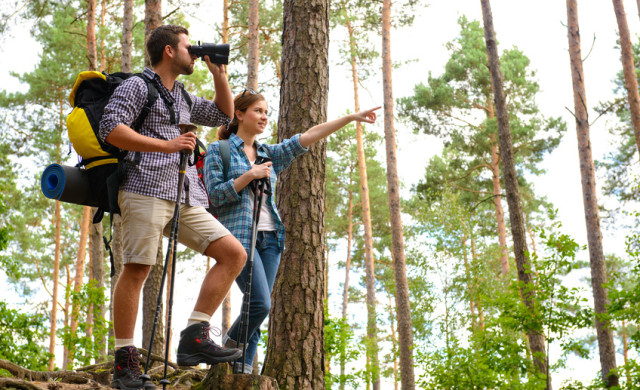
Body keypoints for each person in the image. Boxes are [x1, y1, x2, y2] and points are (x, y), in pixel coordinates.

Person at [98, 25, 247, 389]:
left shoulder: (180, 93)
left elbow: (223, 116)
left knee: (233, 255)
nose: (193, 52)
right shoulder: (137, 85)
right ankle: (125, 364)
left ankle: (194, 335)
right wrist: (167, 145)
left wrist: (220, 75)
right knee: (137, 269)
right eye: (187, 46)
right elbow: (110, 128)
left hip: (184, 195)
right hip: (143, 188)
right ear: (168, 51)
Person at [203, 89, 379, 373]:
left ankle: (242, 373)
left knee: (256, 309)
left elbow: (308, 136)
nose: (264, 117)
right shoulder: (218, 150)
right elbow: (214, 196)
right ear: (239, 114)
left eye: (266, 112)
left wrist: (350, 118)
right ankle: (226, 350)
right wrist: (249, 175)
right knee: (260, 304)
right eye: (258, 111)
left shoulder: (268, 153)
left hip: (271, 240)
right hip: (238, 237)